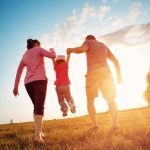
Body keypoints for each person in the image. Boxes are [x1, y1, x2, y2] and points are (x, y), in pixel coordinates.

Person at [67, 35, 122, 129]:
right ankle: (115, 124)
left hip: (93, 74)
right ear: (95, 38)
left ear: (87, 39)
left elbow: (82, 49)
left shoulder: (88, 42)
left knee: (90, 100)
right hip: (106, 73)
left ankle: (94, 125)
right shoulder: (104, 45)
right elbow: (116, 61)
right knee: (110, 99)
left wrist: (71, 50)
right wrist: (119, 75)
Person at [13, 39, 56, 143]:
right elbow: (52, 56)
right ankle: (37, 137)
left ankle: (38, 132)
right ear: (35, 44)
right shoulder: (39, 49)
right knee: (39, 107)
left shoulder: (24, 55)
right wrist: (52, 50)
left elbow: (18, 72)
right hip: (40, 81)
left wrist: (15, 87)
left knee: (36, 107)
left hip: (28, 83)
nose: (40, 45)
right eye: (39, 44)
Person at [51, 52, 76, 117]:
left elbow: (52, 58)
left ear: (57, 60)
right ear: (63, 60)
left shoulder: (56, 66)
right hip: (66, 84)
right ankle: (71, 105)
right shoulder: (65, 65)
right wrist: (69, 53)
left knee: (61, 99)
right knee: (68, 97)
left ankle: (64, 108)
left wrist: (52, 51)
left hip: (58, 85)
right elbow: (68, 58)